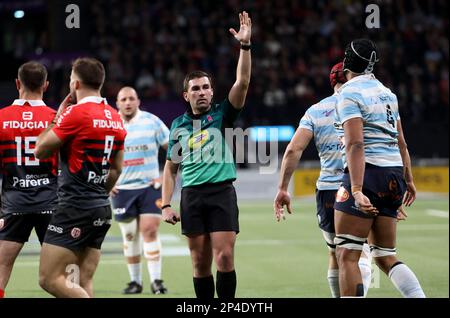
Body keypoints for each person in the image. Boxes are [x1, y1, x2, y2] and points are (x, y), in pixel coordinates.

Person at [161, 11, 252, 299]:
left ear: (212, 93)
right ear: (185, 95)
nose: (201, 92)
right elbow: (171, 169)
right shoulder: (178, 126)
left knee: (224, 258)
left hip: (221, 193)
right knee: (200, 264)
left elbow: (243, 83)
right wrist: (165, 204)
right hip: (192, 196)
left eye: (206, 88)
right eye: (195, 89)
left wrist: (245, 47)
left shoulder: (222, 114)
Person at [333, 38, 425, 297]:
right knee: (385, 256)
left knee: (347, 255)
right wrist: (409, 179)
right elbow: (402, 142)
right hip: (394, 174)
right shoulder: (388, 93)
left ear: (347, 62)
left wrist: (357, 188)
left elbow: (355, 144)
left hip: (368, 173)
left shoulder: (348, 93)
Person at [273, 62, 372, 298]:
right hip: (358, 186)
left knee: (334, 253)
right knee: (360, 252)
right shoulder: (364, 105)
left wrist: (282, 188)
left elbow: (292, 150)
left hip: (328, 190)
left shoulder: (315, 110)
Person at [34, 57, 127, 298]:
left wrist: (58, 116)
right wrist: (98, 193)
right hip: (101, 208)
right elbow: (117, 169)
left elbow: (40, 150)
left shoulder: (75, 113)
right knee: (80, 279)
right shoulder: (115, 116)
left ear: (75, 84)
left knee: (49, 278)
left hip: (74, 207)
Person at [0, 62, 58, 298]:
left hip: (14, 203)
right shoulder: (57, 118)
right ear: (46, 85)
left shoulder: (1, 118)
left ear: (17, 84)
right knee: (62, 274)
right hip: (52, 202)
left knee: (2, 267)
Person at [110, 86, 170, 295]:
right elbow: (97, 156)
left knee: (150, 230)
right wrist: (107, 182)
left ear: (138, 101)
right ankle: (135, 282)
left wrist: (164, 176)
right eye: (123, 99)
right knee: (129, 236)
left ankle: (156, 281)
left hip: (149, 187)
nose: (127, 102)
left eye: (131, 98)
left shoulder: (151, 121)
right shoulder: (110, 124)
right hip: (122, 189)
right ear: (117, 103)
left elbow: (174, 149)